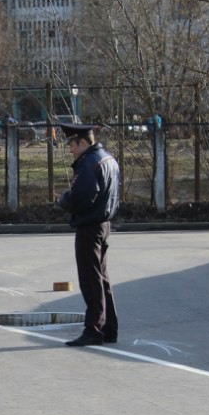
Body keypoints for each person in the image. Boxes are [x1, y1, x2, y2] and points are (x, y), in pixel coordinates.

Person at [57, 123, 121, 347]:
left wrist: (64, 200)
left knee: (91, 280)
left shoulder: (89, 163)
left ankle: (94, 329)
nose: (70, 150)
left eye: (72, 145)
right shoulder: (107, 158)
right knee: (101, 279)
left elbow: (83, 196)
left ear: (83, 142)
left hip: (90, 226)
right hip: (103, 224)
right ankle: (108, 328)